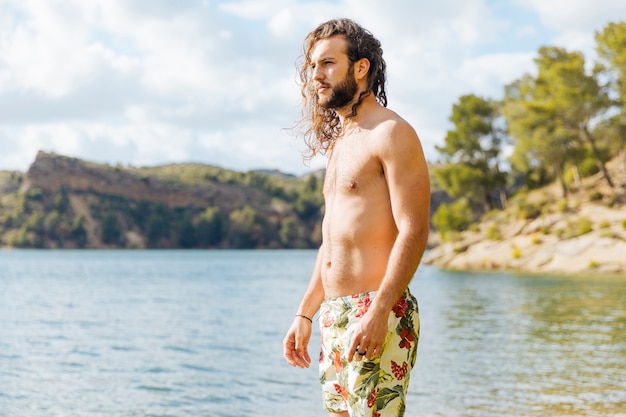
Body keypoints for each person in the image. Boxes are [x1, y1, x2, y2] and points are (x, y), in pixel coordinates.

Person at [282, 18, 430, 417]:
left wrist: (380, 311)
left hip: (376, 309)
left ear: (360, 68)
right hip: (335, 313)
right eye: (313, 66)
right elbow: (332, 243)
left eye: (328, 63)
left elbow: (414, 231)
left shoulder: (391, 133)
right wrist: (305, 312)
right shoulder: (340, 143)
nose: (317, 75)